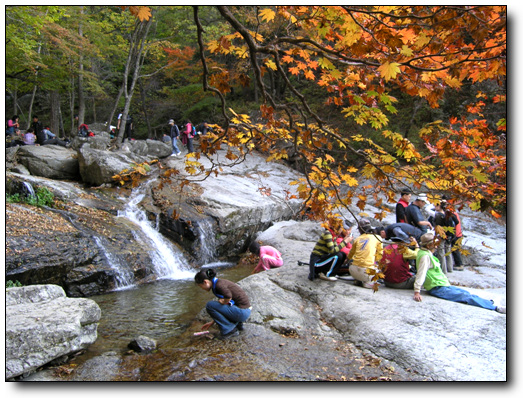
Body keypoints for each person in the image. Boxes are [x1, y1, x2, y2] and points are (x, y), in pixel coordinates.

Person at [413, 233, 505, 313]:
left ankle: (488, 303)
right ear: (429, 245)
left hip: (442, 285)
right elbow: (421, 273)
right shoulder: (425, 256)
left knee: (465, 292)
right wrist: (417, 291)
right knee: (464, 297)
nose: (437, 245)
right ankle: (495, 308)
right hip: (437, 287)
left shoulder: (426, 252)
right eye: (435, 243)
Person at [195, 268, 252, 339]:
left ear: (205, 282)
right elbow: (223, 309)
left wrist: (224, 301)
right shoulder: (217, 283)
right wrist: (212, 322)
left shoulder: (219, 285)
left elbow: (228, 296)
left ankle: (229, 330)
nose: (202, 288)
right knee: (215, 305)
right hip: (243, 311)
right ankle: (237, 325)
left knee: (210, 305)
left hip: (242, 312)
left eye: (201, 286)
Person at [346, 219, 383, 289]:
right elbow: (379, 256)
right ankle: (368, 283)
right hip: (367, 272)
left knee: (355, 263)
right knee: (377, 268)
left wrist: (346, 261)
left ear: (360, 230)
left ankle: (358, 280)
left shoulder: (358, 239)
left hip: (353, 271)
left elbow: (350, 254)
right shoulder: (378, 238)